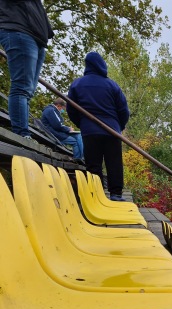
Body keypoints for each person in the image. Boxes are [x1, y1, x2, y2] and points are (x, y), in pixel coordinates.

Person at [67, 52, 129, 201]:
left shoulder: (77, 84)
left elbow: (71, 110)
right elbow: (123, 110)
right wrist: (119, 126)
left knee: (93, 164)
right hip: (112, 130)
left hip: (89, 131)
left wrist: (82, 124)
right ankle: (115, 194)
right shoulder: (112, 85)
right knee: (114, 162)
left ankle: (97, 194)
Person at [0, 0, 54, 138]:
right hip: (18, 30)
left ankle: (23, 131)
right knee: (22, 88)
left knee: (28, 91)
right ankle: (22, 134)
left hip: (37, 37)